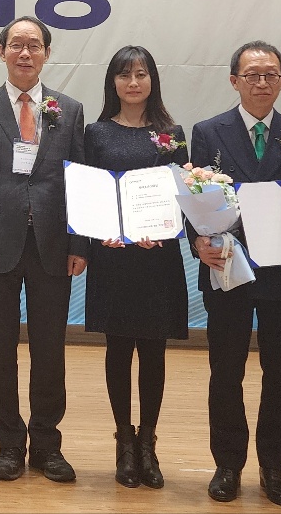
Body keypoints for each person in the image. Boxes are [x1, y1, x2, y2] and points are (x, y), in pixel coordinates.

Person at [188, 41, 281, 507]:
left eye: (270, 75)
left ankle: (274, 467)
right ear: (234, 81)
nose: (261, 83)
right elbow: (196, 198)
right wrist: (198, 243)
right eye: (252, 75)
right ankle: (227, 464)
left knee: (280, 372)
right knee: (225, 371)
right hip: (228, 267)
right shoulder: (209, 131)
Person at [0, 15, 87, 483]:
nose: (25, 53)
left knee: (50, 349)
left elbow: (78, 180)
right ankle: (9, 444)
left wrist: (78, 243)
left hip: (53, 243)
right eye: (16, 44)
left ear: (47, 53)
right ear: (2, 52)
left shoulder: (69, 109)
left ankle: (47, 445)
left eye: (34, 45)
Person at [82, 45, 188, 491]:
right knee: (118, 349)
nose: (133, 83)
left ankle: (148, 442)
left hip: (157, 258)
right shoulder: (96, 132)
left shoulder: (172, 133)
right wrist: (100, 231)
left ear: (152, 80)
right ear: (113, 82)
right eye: (124, 75)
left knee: (154, 351)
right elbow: (87, 192)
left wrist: (161, 228)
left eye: (141, 74)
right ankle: (124, 441)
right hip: (113, 258)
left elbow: (184, 193)